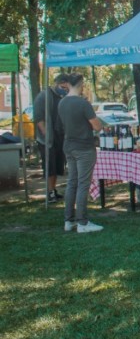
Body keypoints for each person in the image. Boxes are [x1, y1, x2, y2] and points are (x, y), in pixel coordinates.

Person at [58, 73, 103, 233]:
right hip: (84, 147)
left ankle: (68, 220)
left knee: (72, 183)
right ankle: (82, 222)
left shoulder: (62, 103)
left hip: (68, 145)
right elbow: (97, 126)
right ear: (81, 83)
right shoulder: (83, 104)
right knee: (83, 184)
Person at [33, 73, 70, 203]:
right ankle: (49, 193)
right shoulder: (44, 96)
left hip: (60, 137)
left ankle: (53, 190)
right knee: (50, 166)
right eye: (63, 87)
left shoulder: (63, 97)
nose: (65, 90)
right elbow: (39, 118)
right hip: (47, 138)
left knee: (58, 166)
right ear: (56, 83)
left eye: (67, 88)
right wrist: (47, 136)